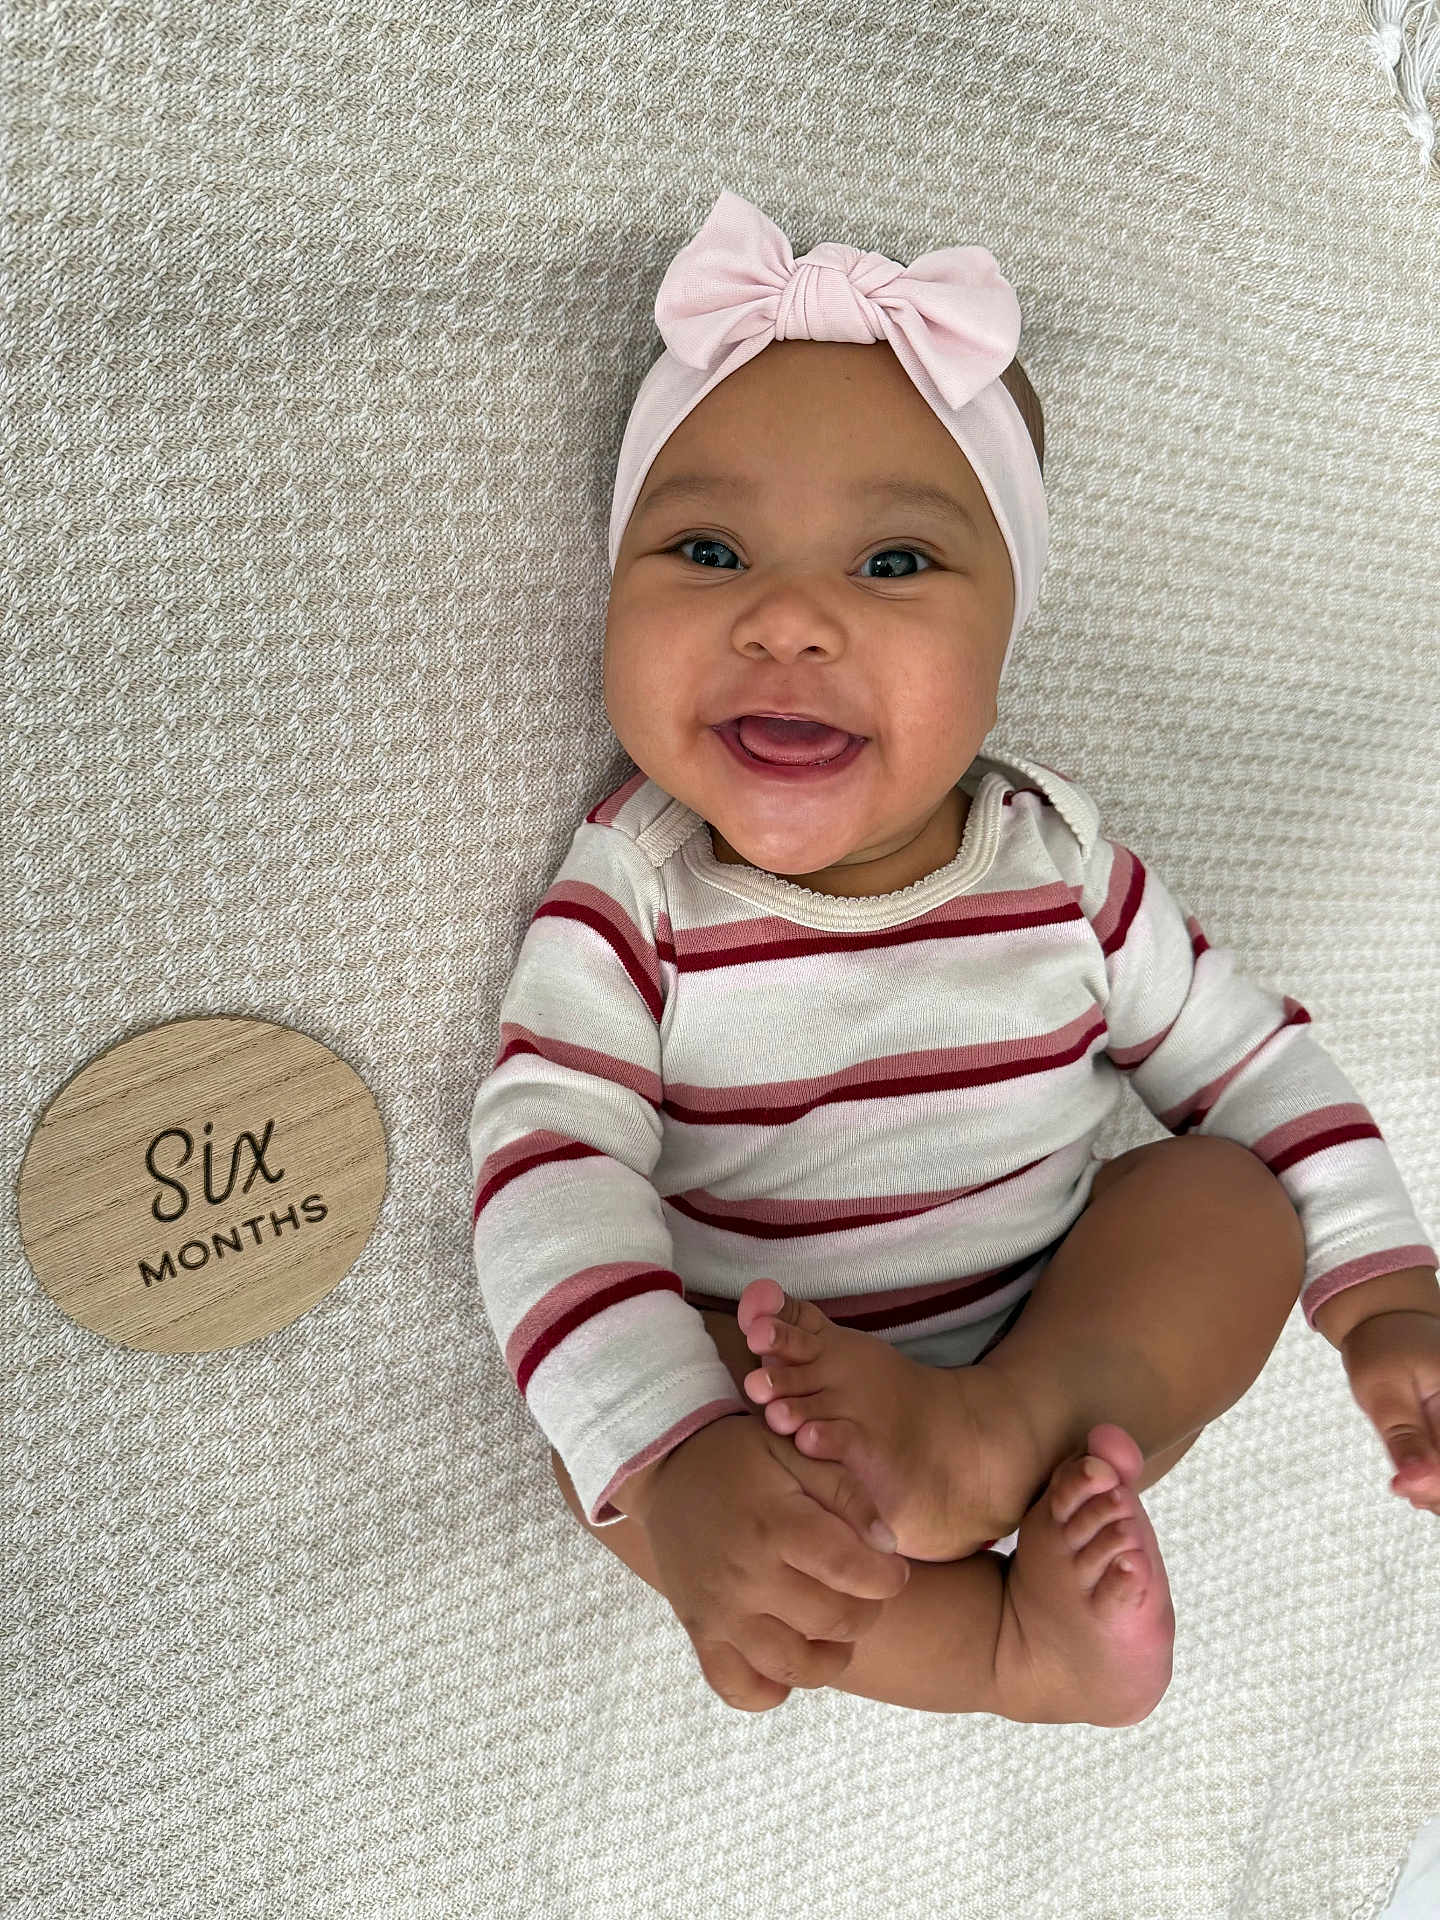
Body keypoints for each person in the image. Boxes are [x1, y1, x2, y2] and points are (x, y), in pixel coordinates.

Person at [467, 190, 1440, 1721]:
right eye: (708, 548)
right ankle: (1007, 1654)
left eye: (898, 567)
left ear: (1006, 644)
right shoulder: (642, 893)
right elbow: (548, 1166)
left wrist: (1385, 1291)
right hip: (776, 1401)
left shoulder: (1060, 870)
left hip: (1057, 1354)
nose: (788, 618)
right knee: (602, 1438)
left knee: (1226, 1202)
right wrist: (677, 1458)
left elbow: (1252, 1063)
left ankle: (994, 1434)